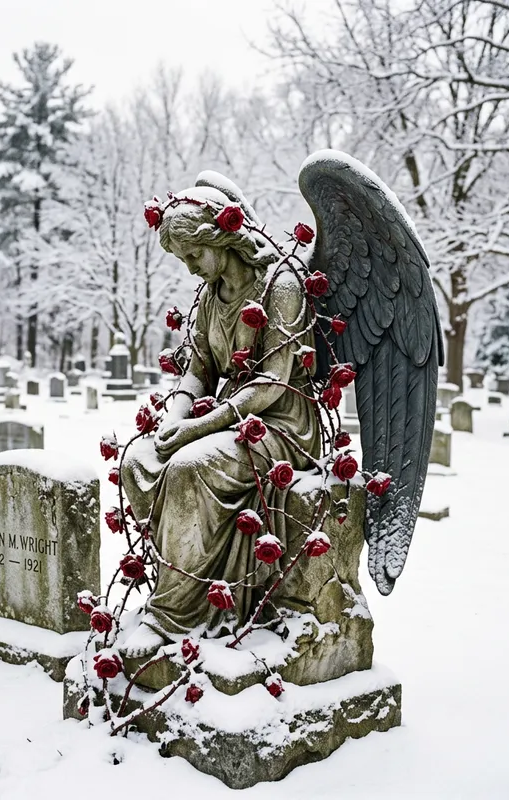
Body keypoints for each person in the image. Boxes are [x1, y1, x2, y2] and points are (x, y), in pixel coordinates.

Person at [119, 187, 321, 657]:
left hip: (279, 424)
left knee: (191, 467)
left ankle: (175, 615)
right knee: (138, 461)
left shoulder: (281, 285)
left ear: (220, 239)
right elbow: (199, 370)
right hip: (227, 417)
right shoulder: (211, 296)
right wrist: (175, 417)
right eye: (182, 258)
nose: (189, 266)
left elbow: (273, 383)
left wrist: (195, 430)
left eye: (194, 254)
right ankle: (192, 589)